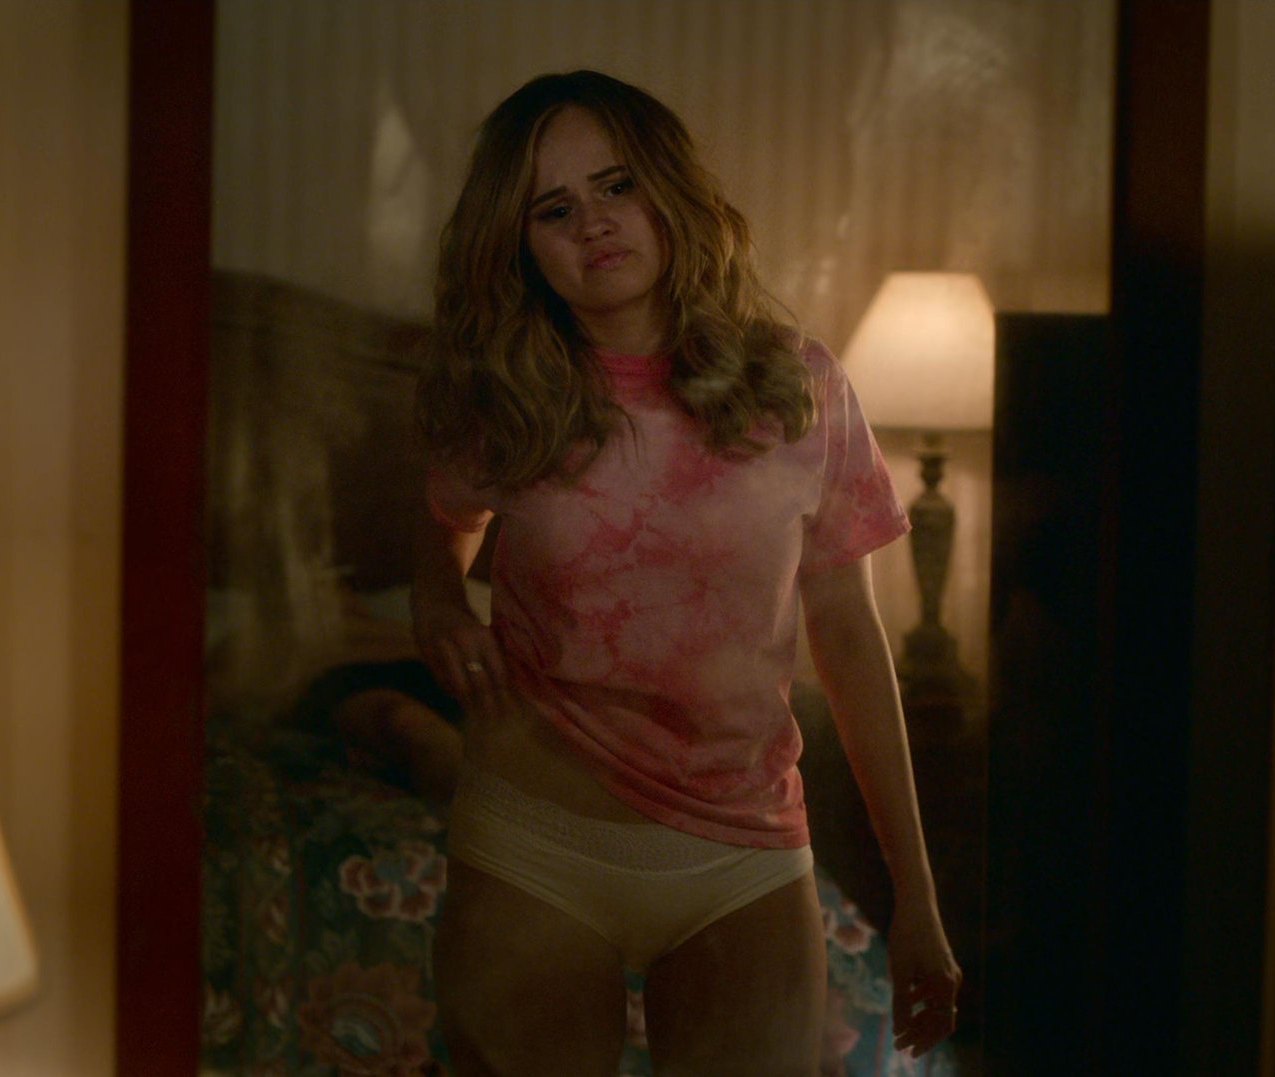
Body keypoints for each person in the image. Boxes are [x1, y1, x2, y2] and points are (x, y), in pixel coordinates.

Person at [409, 70, 961, 1074]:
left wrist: (915, 898)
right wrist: (442, 604)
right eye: (553, 209)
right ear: (520, 245)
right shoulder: (506, 396)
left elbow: (848, 635)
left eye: (617, 186)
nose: (594, 224)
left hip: (742, 857)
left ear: (668, 192)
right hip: (537, 844)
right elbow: (445, 526)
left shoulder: (799, 387)